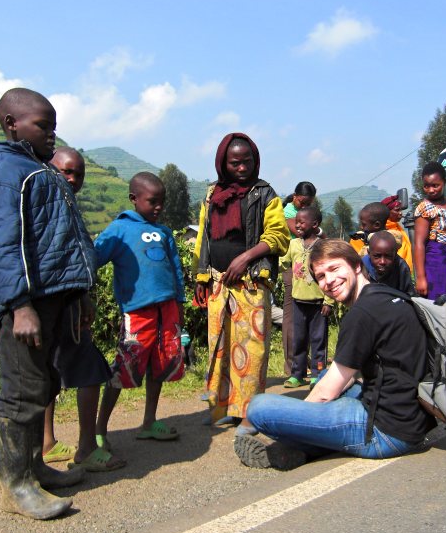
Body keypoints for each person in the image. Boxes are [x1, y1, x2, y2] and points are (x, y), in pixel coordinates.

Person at [0, 87, 97, 519]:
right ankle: (16, 485)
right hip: (28, 305)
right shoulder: (8, 174)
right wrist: (18, 304)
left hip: (55, 301)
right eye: (42, 125)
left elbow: (65, 243)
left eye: (53, 125)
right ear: (11, 124)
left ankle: (35, 466)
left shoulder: (38, 171)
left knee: (42, 386)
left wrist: (79, 295)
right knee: (21, 393)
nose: (51, 133)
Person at [234, 239, 434, 470]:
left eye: (334, 268)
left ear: (356, 265)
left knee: (260, 407)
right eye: (320, 276)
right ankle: (296, 450)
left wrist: (299, 423)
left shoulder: (362, 314)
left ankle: (294, 444)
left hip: (385, 434)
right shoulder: (388, 295)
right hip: (413, 421)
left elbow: (325, 394)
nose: (328, 281)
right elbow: (357, 370)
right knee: (331, 377)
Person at [193, 133, 290, 427]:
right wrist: (200, 276)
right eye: (235, 163)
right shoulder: (212, 195)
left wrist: (245, 258)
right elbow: (203, 238)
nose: (242, 167)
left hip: (250, 282)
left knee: (252, 346)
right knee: (220, 346)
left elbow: (278, 236)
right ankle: (223, 408)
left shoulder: (265, 194)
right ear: (224, 162)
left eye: (247, 161)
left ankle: (249, 413)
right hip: (217, 283)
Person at [43, 147, 124, 472]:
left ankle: (47, 443)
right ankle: (87, 447)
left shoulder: (57, 202)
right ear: (51, 169)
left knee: (48, 373)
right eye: (66, 172)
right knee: (90, 371)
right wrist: (78, 297)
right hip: (61, 303)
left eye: (78, 173)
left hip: (59, 302)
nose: (73, 179)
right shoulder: (55, 206)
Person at [95, 172, 186, 451]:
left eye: (162, 201)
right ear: (134, 199)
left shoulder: (164, 232)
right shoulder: (118, 229)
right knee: (124, 367)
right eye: (152, 201)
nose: (158, 207)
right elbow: (94, 257)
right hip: (137, 313)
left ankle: (149, 421)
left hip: (167, 310)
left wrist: (179, 306)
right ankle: (99, 431)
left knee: (159, 366)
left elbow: (176, 270)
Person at [281, 207, 333, 389]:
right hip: (298, 301)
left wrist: (329, 301)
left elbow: (329, 275)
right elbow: (284, 262)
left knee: (318, 340)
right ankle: (298, 374)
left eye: (302, 222)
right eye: (296, 222)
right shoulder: (294, 244)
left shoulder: (322, 246)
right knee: (299, 339)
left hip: (319, 303)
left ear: (315, 224)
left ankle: (318, 373)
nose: (298, 225)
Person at [413, 162, 446, 308]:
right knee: (441, 307)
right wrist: (420, 278)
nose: (431, 190)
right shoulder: (424, 208)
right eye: (426, 186)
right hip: (436, 264)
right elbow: (418, 243)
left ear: (444, 182)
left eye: (435, 185)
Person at [280, 181, 317, 377]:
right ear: (295, 197)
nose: (304, 207)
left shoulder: (300, 212)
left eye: (308, 204)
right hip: (292, 267)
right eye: (302, 203)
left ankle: (301, 360)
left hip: (305, 267)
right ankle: (292, 364)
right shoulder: (287, 213)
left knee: (305, 316)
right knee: (292, 316)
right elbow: (303, 232)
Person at [363, 231, 416, 296]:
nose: (382, 262)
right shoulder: (362, 266)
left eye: (388, 256)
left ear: (395, 253)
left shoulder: (401, 267)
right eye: (377, 256)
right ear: (369, 253)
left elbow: (409, 294)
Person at [381, 195, 413, 275]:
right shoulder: (382, 231)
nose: (401, 213)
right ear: (387, 212)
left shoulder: (398, 228)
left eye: (401, 210)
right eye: (397, 210)